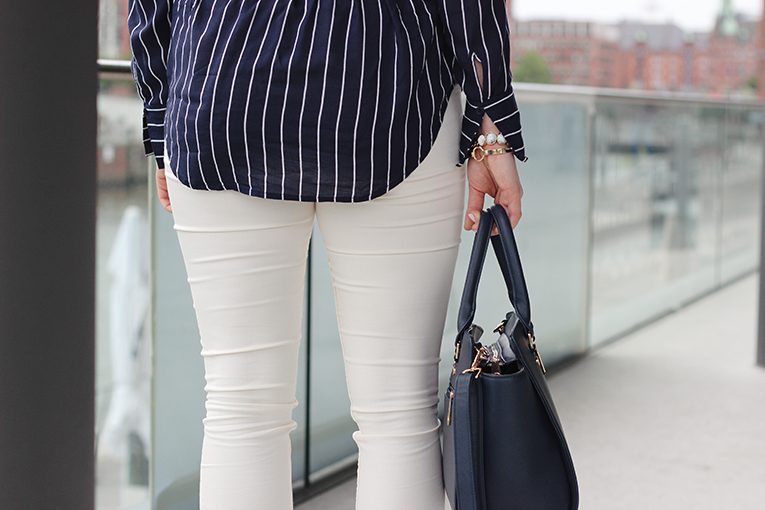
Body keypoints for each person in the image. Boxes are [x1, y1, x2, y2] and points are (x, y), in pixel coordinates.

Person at [128, 0, 527, 508]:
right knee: (398, 412)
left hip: (222, 83)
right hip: (388, 87)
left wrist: (160, 113)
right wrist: (492, 118)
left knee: (240, 407)